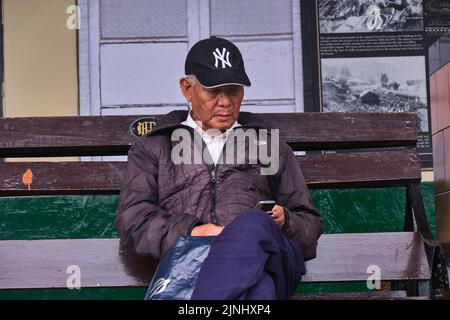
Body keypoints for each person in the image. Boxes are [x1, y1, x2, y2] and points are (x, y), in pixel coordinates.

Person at [115, 36, 323, 300]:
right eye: (213, 92)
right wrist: (194, 231)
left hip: (265, 260)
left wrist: (285, 221)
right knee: (259, 292)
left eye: (233, 90)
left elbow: (309, 227)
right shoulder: (156, 146)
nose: (225, 102)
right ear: (187, 89)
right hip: (192, 265)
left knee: (252, 225)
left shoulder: (269, 144)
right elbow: (134, 219)